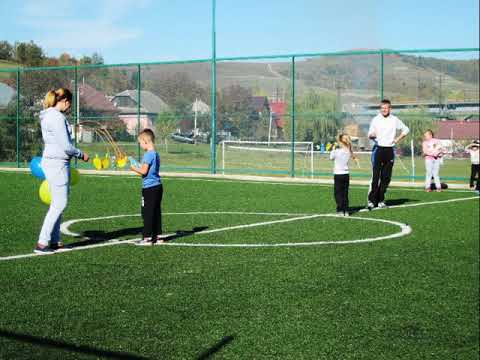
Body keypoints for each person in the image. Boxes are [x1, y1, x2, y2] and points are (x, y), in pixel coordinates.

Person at [35, 88, 89, 254]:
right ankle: (42, 242)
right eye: (69, 103)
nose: (69, 107)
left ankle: (55, 240)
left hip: (54, 162)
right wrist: (81, 154)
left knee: (58, 202)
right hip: (57, 163)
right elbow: (65, 146)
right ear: (64, 100)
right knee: (60, 203)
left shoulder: (49, 115)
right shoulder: (57, 117)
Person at [367, 99, 409, 209]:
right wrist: (372, 135)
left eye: (386, 108)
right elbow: (370, 134)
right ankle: (371, 200)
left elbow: (406, 130)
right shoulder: (375, 119)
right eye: (382, 108)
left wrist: (397, 139)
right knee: (376, 177)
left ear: (390, 108)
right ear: (380, 109)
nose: (384, 110)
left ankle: (381, 200)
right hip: (378, 150)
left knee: (386, 178)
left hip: (389, 151)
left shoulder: (394, 119)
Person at [131, 129, 163, 245]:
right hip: (158, 186)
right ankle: (158, 236)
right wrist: (137, 164)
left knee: (147, 212)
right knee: (156, 211)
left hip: (149, 188)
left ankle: (147, 237)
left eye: (140, 142)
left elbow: (144, 171)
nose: (140, 145)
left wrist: (134, 168)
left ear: (145, 141)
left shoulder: (148, 155)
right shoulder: (155, 154)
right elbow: (148, 169)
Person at [330, 134, 358, 216]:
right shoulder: (349, 151)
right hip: (346, 174)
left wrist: (333, 149)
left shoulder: (337, 151)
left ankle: (340, 210)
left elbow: (331, 157)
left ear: (341, 142)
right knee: (345, 193)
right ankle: (346, 210)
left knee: (338, 193)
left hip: (338, 174)